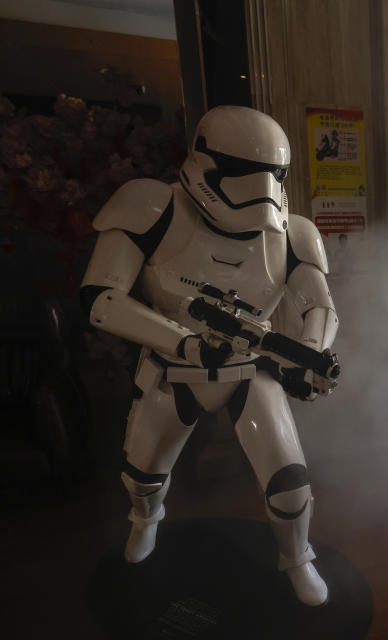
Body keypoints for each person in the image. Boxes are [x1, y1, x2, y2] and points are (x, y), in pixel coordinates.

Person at [80, 106, 339, 606]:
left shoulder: (294, 232)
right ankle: (145, 522)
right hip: (172, 364)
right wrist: (180, 341)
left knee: (289, 483)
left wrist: (309, 354)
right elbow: (101, 299)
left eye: (274, 175)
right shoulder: (151, 207)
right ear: (205, 160)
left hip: (249, 367)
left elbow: (319, 305)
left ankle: (296, 557)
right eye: (242, 171)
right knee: (143, 474)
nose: (261, 188)